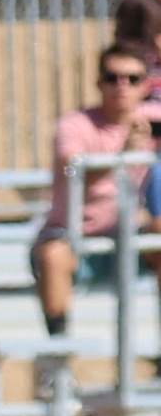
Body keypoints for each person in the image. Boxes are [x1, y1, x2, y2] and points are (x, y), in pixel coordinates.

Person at [31, 45, 161, 339]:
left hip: (127, 237)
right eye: (113, 78)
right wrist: (123, 154)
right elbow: (72, 175)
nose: (122, 87)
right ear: (99, 82)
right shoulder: (75, 126)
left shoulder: (151, 120)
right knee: (53, 256)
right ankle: (58, 358)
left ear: (146, 85)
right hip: (72, 237)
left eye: (132, 79)